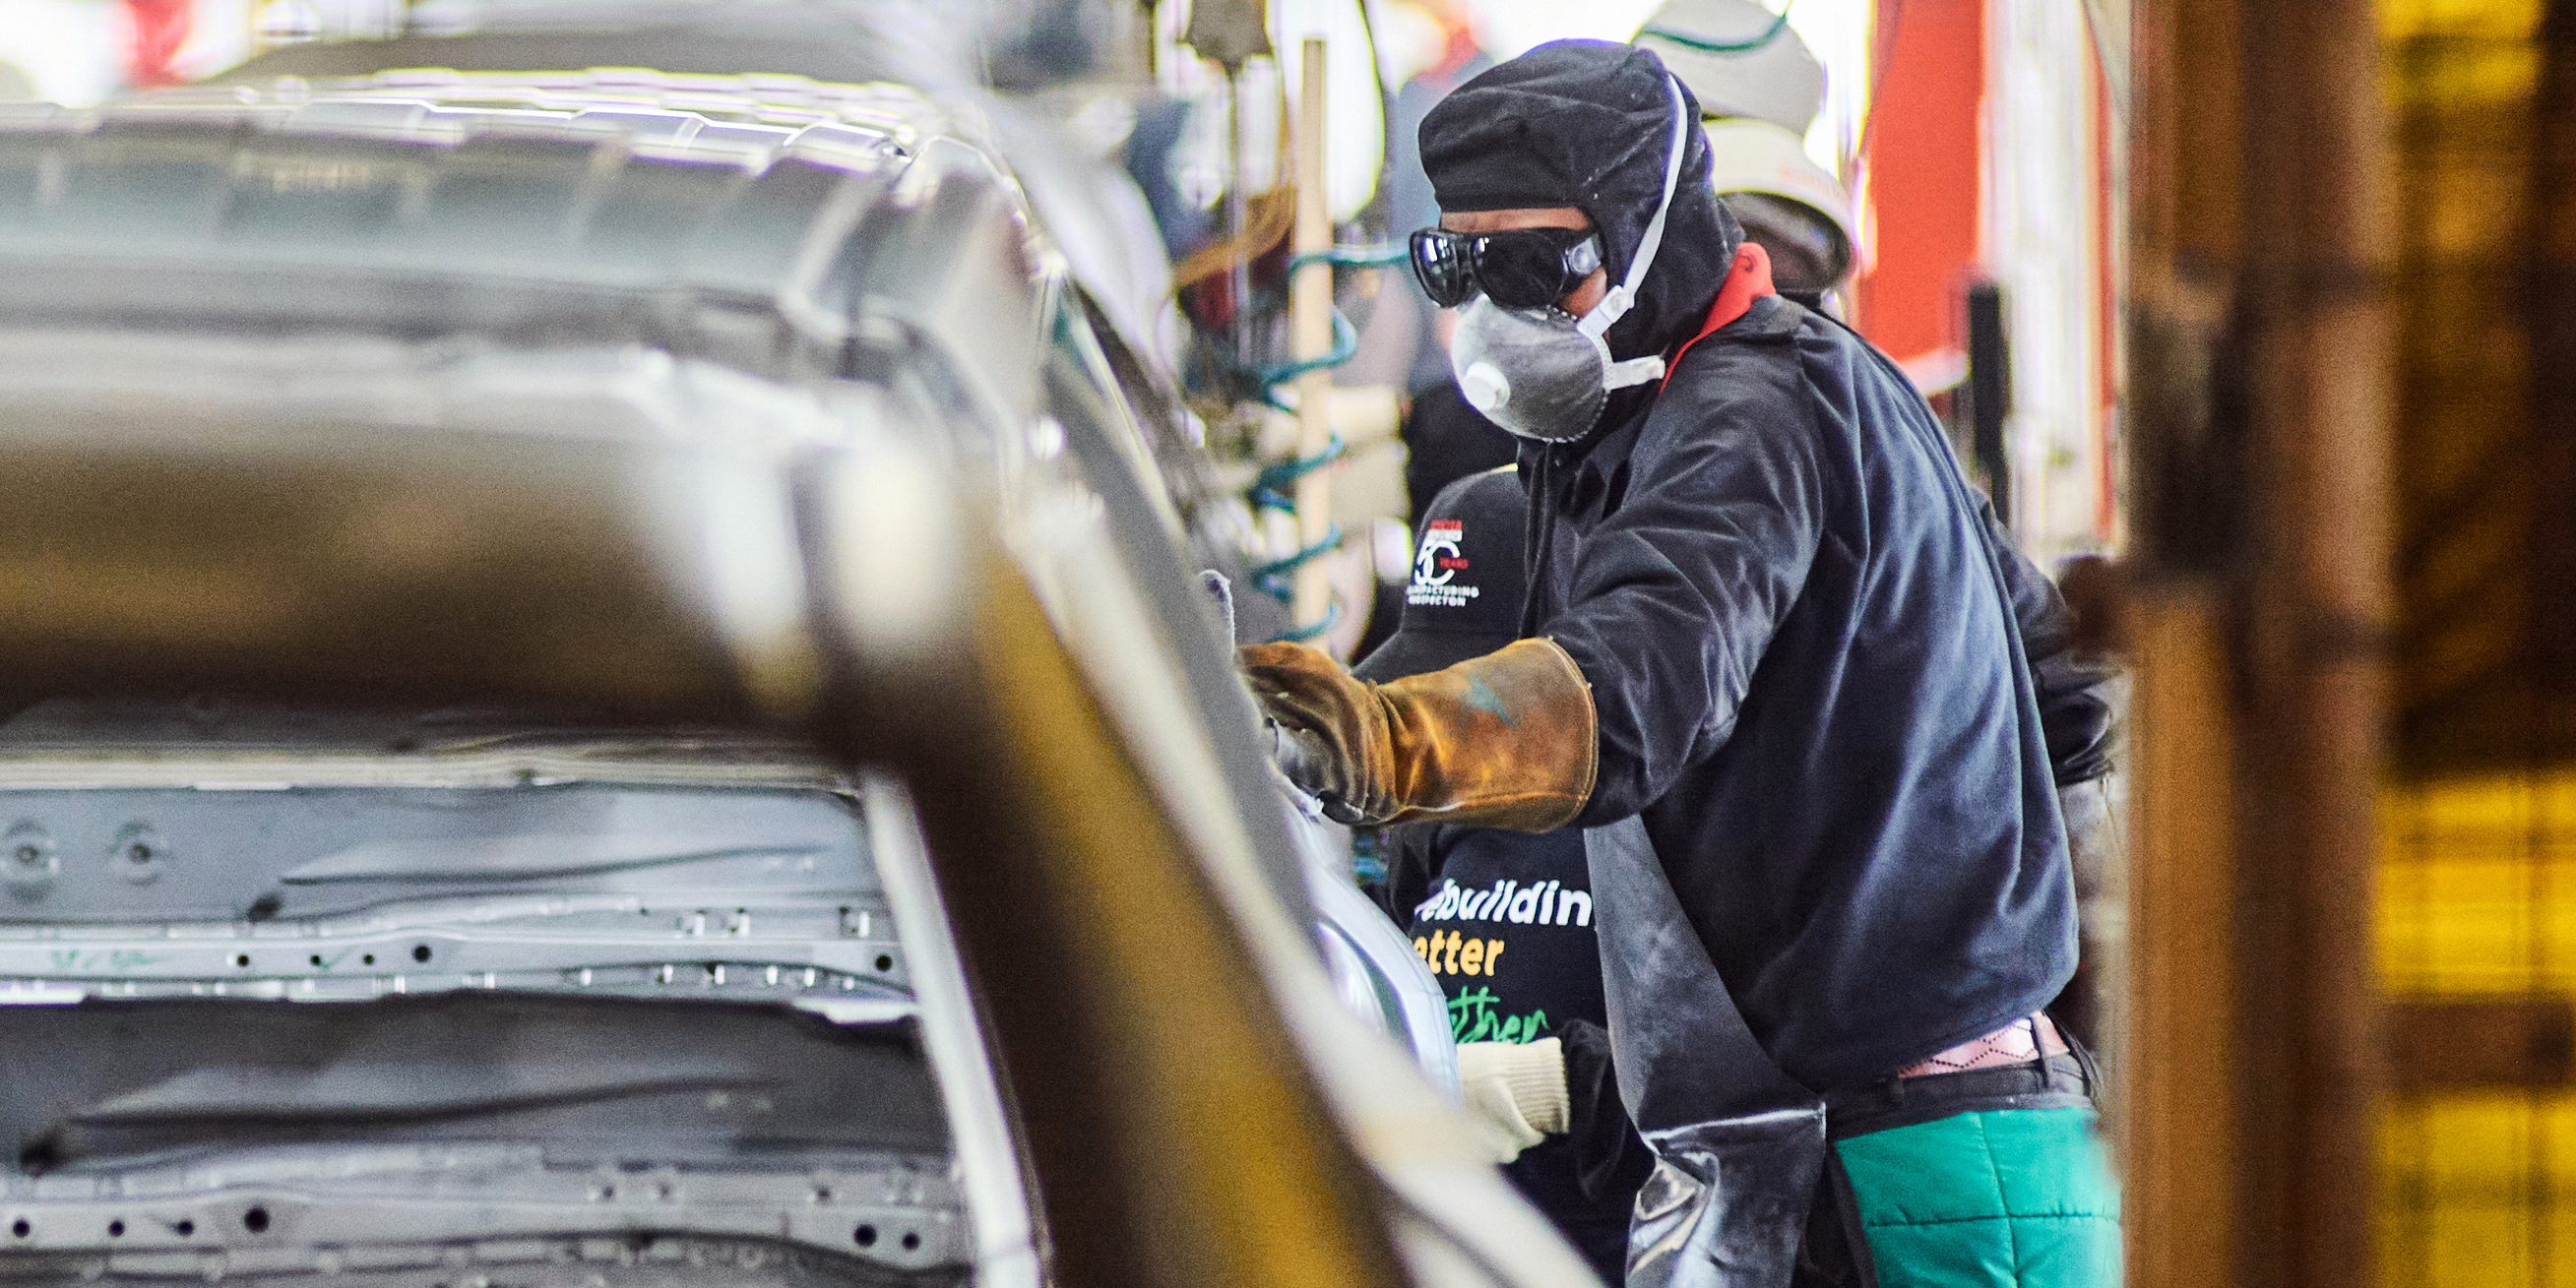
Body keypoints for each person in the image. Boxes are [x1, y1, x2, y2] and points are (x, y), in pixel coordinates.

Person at [1238, 40, 2118, 1287]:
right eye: (1462, 265)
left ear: (1648, 239)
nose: (1499, 310)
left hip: (1919, 1171)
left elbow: (1638, 681)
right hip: (1788, 1151)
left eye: (1538, 268)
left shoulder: (1759, 406)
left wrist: (1382, 743)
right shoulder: (1625, 428)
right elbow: (2063, 690)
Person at [1360, 466, 1650, 1284]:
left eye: (1477, 699)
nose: (1453, 735)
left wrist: (1558, 1086)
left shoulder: (1676, 829)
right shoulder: (1438, 820)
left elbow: (1768, 1095)